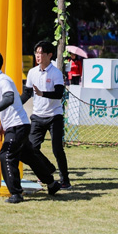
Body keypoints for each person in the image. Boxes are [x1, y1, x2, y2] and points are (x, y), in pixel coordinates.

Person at [0, 50, 61, 204]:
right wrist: (2, 125)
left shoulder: (3, 81)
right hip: (15, 125)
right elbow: (7, 106)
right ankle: (52, 184)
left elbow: (9, 98)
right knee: (30, 157)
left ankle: (16, 194)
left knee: (6, 155)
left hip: (18, 126)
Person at [22, 40, 71, 189]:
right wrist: (15, 104)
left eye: (41, 53)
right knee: (31, 148)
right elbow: (27, 93)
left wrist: (42, 93)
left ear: (49, 55)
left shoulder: (56, 73)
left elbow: (58, 94)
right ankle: (47, 170)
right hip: (37, 115)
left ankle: (65, 180)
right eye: (36, 53)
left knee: (57, 149)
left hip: (54, 116)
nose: (38, 56)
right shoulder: (32, 72)